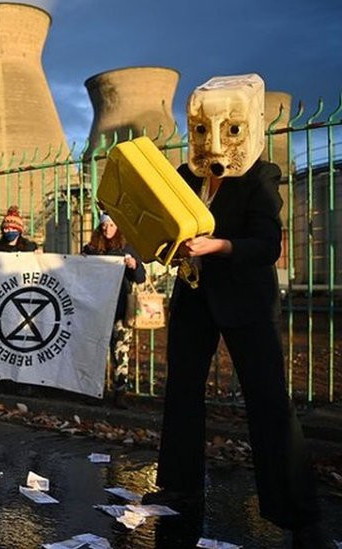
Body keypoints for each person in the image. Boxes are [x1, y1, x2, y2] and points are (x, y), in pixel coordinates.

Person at [143, 74, 326, 547]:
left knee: (268, 402)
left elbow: (266, 246)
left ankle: (299, 516)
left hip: (245, 299)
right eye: (202, 130)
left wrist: (219, 245)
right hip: (195, 299)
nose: (212, 141)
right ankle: (180, 488)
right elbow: (162, 228)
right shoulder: (184, 177)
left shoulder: (261, 176)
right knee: (182, 393)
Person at [82, 213, 145, 408]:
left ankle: (120, 392)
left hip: (120, 310)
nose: (107, 229)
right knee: (94, 351)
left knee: (120, 352)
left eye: (111, 225)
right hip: (96, 308)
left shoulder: (127, 248)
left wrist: (133, 266)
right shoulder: (91, 250)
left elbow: (140, 277)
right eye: (104, 226)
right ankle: (94, 390)